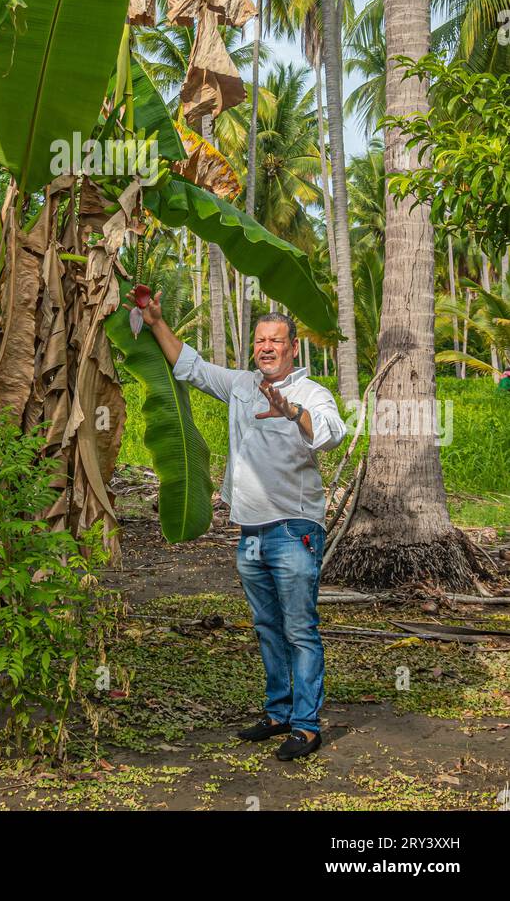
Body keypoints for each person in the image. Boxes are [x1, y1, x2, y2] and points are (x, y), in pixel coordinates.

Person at [127, 287, 347, 760]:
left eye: (276, 340)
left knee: (300, 629)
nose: (267, 347)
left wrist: (291, 411)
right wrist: (154, 319)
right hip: (249, 531)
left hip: (294, 529)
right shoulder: (241, 385)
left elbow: (330, 435)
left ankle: (307, 726)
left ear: (292, 348)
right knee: (267, 626)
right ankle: (278, 712)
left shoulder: (311, 393)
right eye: (260, 340)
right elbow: (190, 365)